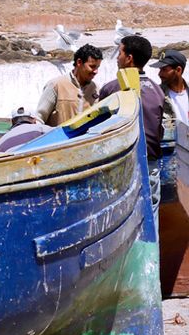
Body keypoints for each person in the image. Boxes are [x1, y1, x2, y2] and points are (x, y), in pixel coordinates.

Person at [98, 35, 165, 227]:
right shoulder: (157, 90)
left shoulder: (112, 89)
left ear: (129, 58)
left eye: (119, 53)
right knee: (151, 219)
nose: (117, 57)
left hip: (123, 167)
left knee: (120, 222)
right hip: (151, 164)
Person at [36, 44, 103, 126]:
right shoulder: (56, 85)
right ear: (79, 62)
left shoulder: (95, 89)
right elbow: (39, 119)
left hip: (87, 139)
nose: (96, 72)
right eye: (92, 66)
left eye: (98, 67)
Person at [152, 49, 188, 125]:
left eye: (164, 70)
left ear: (178, 70)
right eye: (160, 69)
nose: (160, 74)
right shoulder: (157, 95)